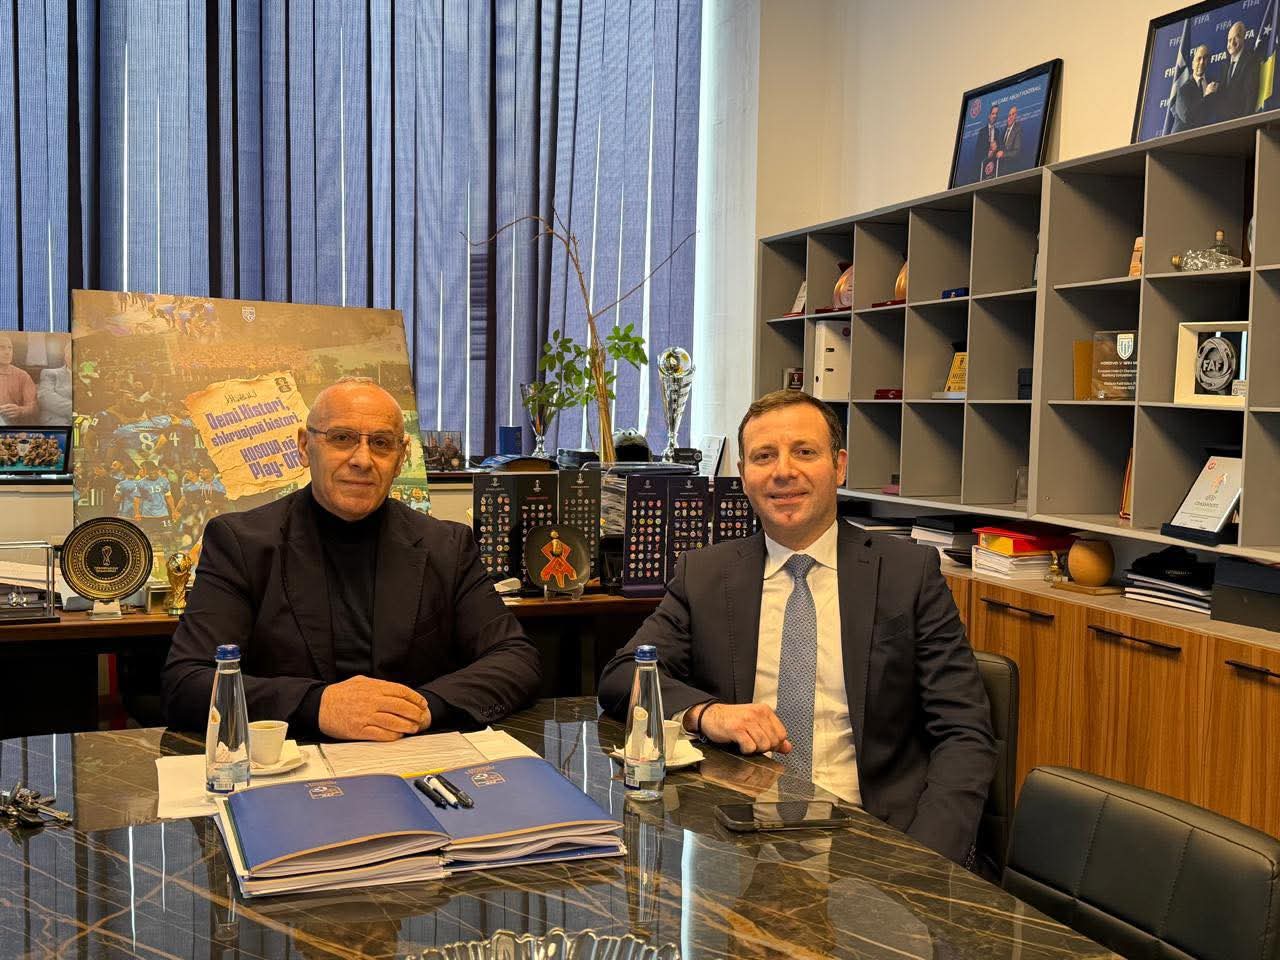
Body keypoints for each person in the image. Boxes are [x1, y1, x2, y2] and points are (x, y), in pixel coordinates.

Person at [597, 390, 996, 864]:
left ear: (839, 466)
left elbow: (964, 732)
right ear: (743, 475)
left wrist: (925, 862)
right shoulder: (706, 576)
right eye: (764, 456)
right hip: (741, 839)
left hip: (878, 841)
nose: (783, 471)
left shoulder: (907, 574)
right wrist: (707, 713)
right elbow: (622, 676)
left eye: (804, 452)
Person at [162, 377, 541, 741]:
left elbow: (515, 659)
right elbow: (187, 682)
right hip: (292, 762)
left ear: (401, 457)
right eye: (341, 438)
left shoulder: (447, 546)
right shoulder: (241, 544)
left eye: (381, 443)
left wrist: (421, 708)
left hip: (413, 757)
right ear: (304, 446)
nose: (362, 459)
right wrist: (317, 705)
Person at [1218, 21, 1260, 121]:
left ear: (1243, 37)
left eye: (1236, 37)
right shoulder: (1225, 65)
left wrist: (1245, 123)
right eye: (1229, 40)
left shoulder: (1251, 60)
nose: (1232, 43)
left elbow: (1251, 96)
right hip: (1224, 124)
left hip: (1242, 123)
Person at [1171, 44, 1216, 132]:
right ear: (1192, 64)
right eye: (1199, 58)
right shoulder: (1183, 89)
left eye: (1205, 58)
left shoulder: (1213, 84)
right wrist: (1207, 96)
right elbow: (1188, 117)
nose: (1202, 62)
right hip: (1183, 138)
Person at [0, 334, 37, 425]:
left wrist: (20, 410)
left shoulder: (22, 375)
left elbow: (33, 406)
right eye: (2, 348)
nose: (7, 352)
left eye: (10, 348)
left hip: (12, 425)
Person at [37, 340, 73, 425]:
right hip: (58, 420)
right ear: (65, 355)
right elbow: (46, 398)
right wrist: (77, 409)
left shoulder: (93, 376)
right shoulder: (50, 373)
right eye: (71, 352)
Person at [977, 104, 1001, 181]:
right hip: (983, 167)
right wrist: (987, 154)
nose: (994, 116)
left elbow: (999, 149)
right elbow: (978, 151)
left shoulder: (997, 132)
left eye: (996, 114)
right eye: (993, 114)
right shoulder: (982, 132)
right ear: (989, 115)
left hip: (994, 167)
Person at [998, 105, 1022, 170]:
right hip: (1001, 167)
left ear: (1016, 116)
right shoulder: (1004, 131)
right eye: (1009, 115)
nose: (1010, 117)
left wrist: (1003, 154)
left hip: (1012, 167)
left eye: (1013, 114)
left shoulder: (1018, 129)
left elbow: (1016, 152)